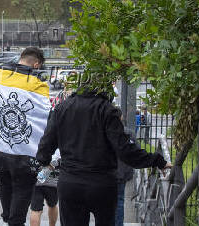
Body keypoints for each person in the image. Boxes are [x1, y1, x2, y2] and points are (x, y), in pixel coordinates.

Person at [36, 79, 172, 226]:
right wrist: (157, 160)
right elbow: (125, 150)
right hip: (102, 183)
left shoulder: (62, 108)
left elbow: (46, 143)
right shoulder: (107, 110)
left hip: (71, 181)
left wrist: (44, 160)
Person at [0, 47, 51, 226]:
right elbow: (44, 121)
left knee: (4, 180)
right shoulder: (39, 86)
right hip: (24, 151)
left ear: (20, 59)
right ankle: (15, 221)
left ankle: (7, 217)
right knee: (23, 187)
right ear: (36, 64)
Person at [30, 150, 60, 226]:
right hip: (53, 177)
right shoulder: (57, 138)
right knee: (53, 205)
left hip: (36, 177)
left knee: (35, 210)